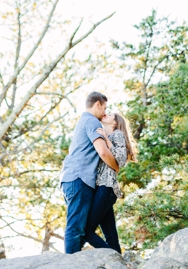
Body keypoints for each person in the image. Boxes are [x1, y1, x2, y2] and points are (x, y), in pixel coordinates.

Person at [59, 91, 119, 254]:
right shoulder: (92, 121)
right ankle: (70, 265)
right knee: (76, 228)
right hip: (79, 178)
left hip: (73, 178)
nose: (105, 112)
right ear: (97, 104)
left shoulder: (84, 121)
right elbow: (104, 153)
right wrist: (116, 167)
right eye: (104, 108)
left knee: (78, 228)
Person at [83, 111, 138, 253]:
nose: (106, 114)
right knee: (111, 237)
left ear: (115, 122)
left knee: (87, 231)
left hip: (106, 187)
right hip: (104, 188)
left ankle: (113, 260)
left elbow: (120, 160)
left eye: (110, 115)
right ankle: (119, 264)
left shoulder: (117, 134)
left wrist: (107, 141)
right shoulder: (105, 135)